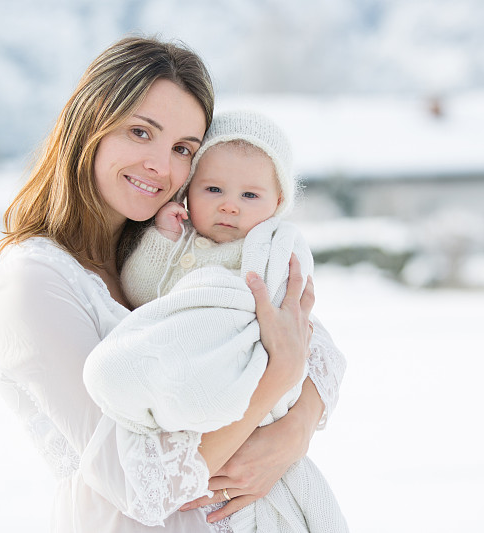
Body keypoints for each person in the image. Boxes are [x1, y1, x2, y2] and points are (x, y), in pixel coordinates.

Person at [0, 35, 347, 532]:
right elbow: (139, 485)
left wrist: (294, 430)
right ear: (90, 126)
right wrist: (274, 384)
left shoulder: (178, 250)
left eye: (182, 149)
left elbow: (309, 343)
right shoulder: (33, 283)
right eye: (139, 132)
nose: (160, 165)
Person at [85, 110, 349, 532]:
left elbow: (297, 327)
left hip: (253, 386)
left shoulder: (270, 250)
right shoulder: (181, 243)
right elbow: (145, 293)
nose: (229, 205)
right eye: (213, 189)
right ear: (188, 194)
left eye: (250, 196)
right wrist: (162, 240)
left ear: (278, 204)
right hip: (191, 381)